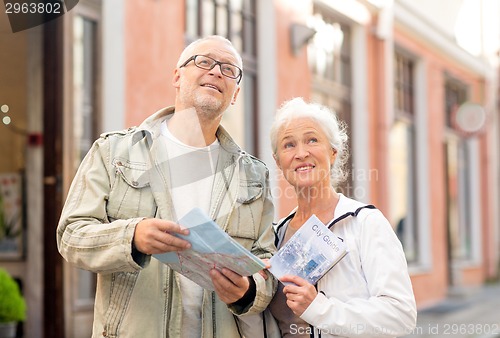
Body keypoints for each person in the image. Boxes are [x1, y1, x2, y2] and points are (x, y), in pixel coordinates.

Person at [57, 35, 276, 338]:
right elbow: (71, 236)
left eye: (229, 69)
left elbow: (268, 264)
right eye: (204, 61)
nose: (216, 71)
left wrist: (249, 291)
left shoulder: (253, 175)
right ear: (177, 76)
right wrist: (132, 236)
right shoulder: (114, 151)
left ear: (235, 93)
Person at [266, 97, 417, 337]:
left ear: (333, 152)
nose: (301, 153)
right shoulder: (275, 236)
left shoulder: (364, 223)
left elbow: (401, 315)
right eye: (288, 145)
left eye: (312, 140)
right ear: (278, 161)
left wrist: (319, 308)